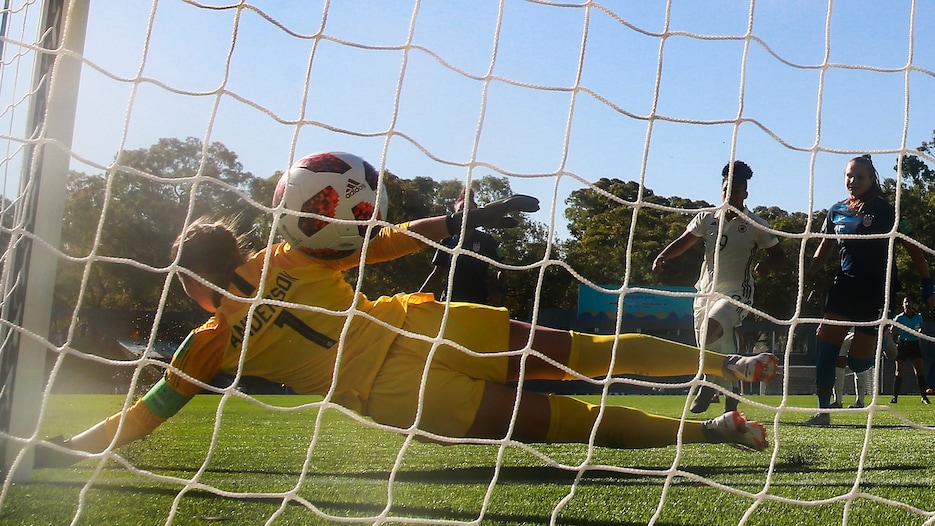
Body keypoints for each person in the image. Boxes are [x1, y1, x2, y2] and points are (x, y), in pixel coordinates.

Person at [36, 194, 780, 468]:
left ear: (197, 274)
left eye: (185, 279)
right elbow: (150, 410)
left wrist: (455, 223)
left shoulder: (276, 263)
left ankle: (722, 400)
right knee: (573, 393)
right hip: (408, 359)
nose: (192, 292)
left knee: (574, 392)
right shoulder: (215, 334)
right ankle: (726, 398)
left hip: (411, 359)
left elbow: (383, 239)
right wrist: (75, 446)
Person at [804, 155, 935, 426]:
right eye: (849, 176)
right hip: (843, 287)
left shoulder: (887, 212)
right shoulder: (836, 210)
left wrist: (927, 284)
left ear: (871, 179)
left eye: (859, 176)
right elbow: (825, 246)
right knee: (827, 349)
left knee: (858, 362)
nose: (852, 181)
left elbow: (912, 247)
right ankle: (823, 411)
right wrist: (808, 271)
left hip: (876, 291)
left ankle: (880, 341)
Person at [653, 161, 787, 414]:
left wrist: (767, 267)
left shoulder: (757, 225)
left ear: (745, 193)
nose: (730, 195)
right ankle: (731, 397)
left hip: (738, 292)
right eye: (726, 189)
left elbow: (780, 256)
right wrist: (663, 256)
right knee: (712, 344)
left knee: (711, 329)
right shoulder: (706, 218)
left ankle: (707, 385)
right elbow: (684, 242)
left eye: (736, 191)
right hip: (705, 291)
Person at [420, 188, 507, 305]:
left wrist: (499, 291)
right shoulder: (447, 240)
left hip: (477, 303)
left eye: (469, 210)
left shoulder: (487, 240)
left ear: (477, 213)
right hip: (449, 303)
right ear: (455, 212)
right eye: (461, 210)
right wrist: (418, 295)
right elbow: (437, 273)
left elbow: (502, 267)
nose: (465, 214)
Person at [889, 296, 930, 404]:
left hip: (914, 344)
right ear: (903, 305)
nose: (907, 304)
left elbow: (921, 327)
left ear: (913, 305)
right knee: (899, 371)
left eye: (909, 302)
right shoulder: (899, 318)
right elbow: (892, 330)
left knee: (919, 371)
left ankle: (924, 397)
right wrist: (894, 343)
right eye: (905, 302)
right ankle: (895, 397)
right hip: (902, 344)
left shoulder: (918, 317)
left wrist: (919, 332)